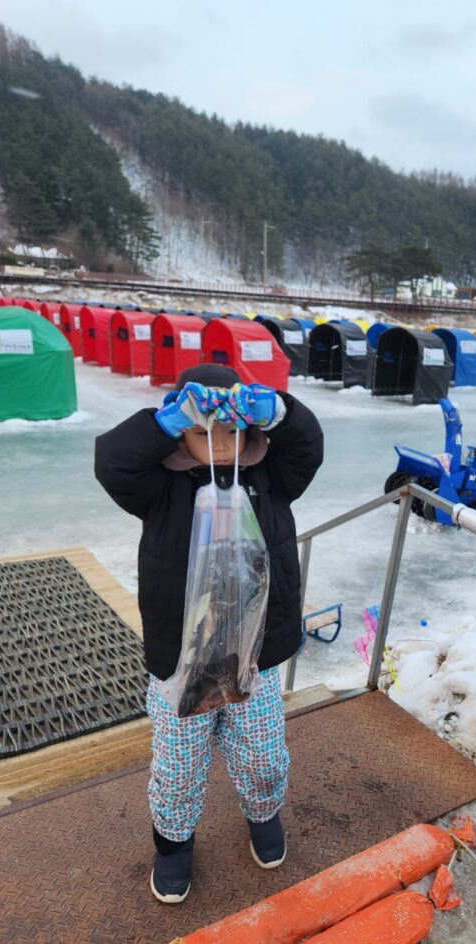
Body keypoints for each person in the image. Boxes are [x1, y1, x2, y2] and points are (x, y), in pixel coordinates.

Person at [95, 364, 324, 903]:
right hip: (183, 662)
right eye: (202, 433)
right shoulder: (159, 486)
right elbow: (114, 463)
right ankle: (173, 844)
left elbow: (308, 446)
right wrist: (163, 421)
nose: (220, 444)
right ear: (180, 435)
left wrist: (282, 412)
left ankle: (263, 814)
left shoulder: (273, 477)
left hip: (257, 657)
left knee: (262, 755)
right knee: (178, 767)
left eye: (233, 431)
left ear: (254, 432)